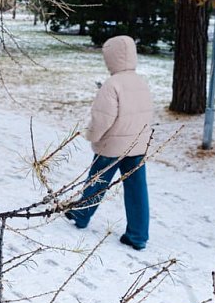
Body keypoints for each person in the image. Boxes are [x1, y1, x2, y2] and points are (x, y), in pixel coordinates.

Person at [64, 35, 154, 250]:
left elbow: (102, 117)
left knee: (97, 181)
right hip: (137, 145)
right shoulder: (141, 82)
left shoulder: (112, 84)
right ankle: (138, 235)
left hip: (112, 145)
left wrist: (93, 136)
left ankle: (81, 215)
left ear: (112, 58)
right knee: (137, 188)